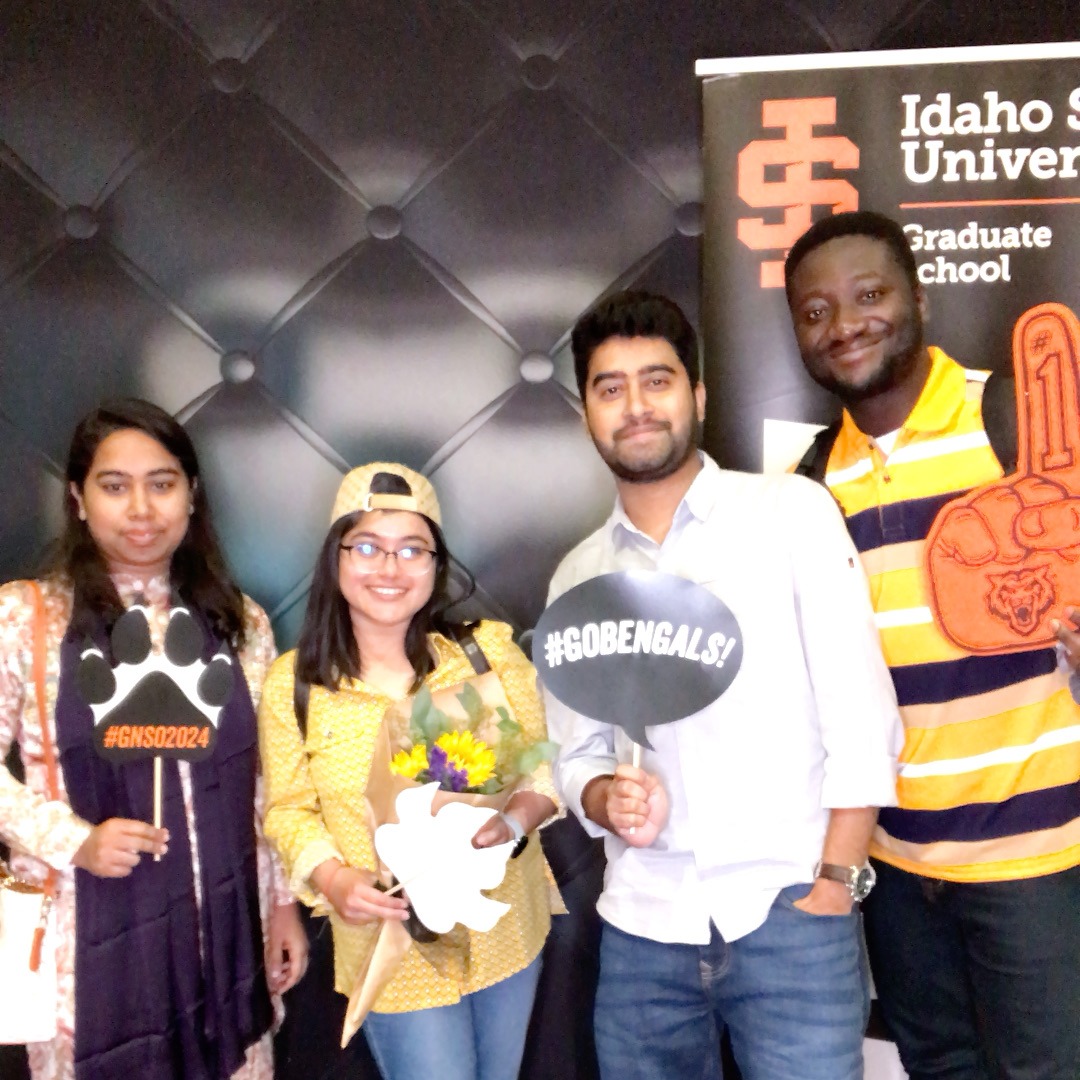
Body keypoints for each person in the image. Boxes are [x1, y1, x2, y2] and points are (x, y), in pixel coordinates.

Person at [544, 290, 902, 1080]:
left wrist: (836, 881)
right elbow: (576, 757)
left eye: (657, 380)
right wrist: (604, 796)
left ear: (698, 396)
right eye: (610, 388)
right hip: (642, 927)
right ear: (587, 414)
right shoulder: (578, 577)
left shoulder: (790, 513)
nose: (636, 406)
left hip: (790, 912)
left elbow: (860, 708)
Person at [784, 210, 1080, 1080]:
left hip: (1036, 857)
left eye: (869, 295)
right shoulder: (807, 485)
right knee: (940, 1069)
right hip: (896, 871)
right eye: (815, 312)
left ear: (919, 299)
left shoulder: (1017, 422)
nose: (844, 325)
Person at [0, 398, 307, 1080]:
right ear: (78, 499)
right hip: (83, 936)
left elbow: (268, 779)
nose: (141, 508)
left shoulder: (241, 623)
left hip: (223, 929)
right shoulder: (24, 617)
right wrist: (73, 838)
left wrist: (283, 901)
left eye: (161, 484)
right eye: (115, 486)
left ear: (191, 496)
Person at [258, 462, 560, 1080]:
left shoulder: (485, 653)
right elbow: (287, 810)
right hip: (391, 946)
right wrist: (334, 879)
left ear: (436, 563)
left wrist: (510, 824)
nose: (390, 568)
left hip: (503, 926)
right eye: (367, 546)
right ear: (336, 557)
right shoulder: (294, 683)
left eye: (412, 549)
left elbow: (540, 775)